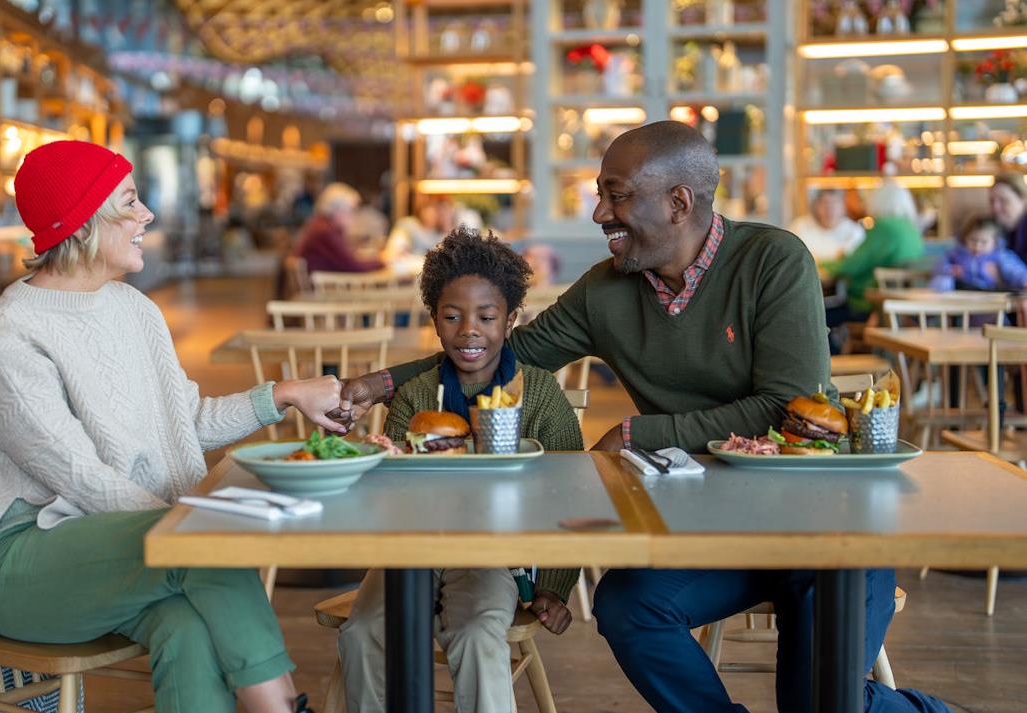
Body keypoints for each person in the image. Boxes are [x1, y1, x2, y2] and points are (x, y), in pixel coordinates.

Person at [331, 121, 950, 713]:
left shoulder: (773, 260)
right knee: (627, 608)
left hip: (827, 525)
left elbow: (784, 407)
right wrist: (374, 384)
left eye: (616, 196)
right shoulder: (608, 290)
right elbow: (492, 354)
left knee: (821, 703)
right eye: (602, 195)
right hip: (717, 526)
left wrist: (635, 432)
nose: (600, 213)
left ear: (679, 203)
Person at [0, 141, 345, 713]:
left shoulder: (134, 310)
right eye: (130, 202)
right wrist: (186, 524)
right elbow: (81, 477)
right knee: (205, 545)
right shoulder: (7, 336)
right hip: (24, 562)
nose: (147, 215)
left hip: (122, 545)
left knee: (186, 627)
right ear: (84, 220)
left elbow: (183, 423)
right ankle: (280, 707)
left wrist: (280, 395)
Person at [337, 228, 582, 713]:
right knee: (363, 629)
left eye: (487, 317)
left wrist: (554, 583)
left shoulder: (538, 395)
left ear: (511, 320)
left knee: (475, 631)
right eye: (452, 316)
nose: (469, 330)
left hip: (493, 552)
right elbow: (392, 489)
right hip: (411, 548)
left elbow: (569, 493)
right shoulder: (417, 395)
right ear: (434, 319)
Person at [820, 179, 925, 328]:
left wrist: (819, 263)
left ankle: (834, 352)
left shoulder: (884, 227)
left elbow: (853, 264)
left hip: (871, 305)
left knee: (817, 317)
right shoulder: (910, 228)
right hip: (901, 306)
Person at [290, 183, 385, 273]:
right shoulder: (324, 232)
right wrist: (384, 261)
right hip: (325, 286)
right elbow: (354, 267)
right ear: (337, 210)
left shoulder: (320, 225)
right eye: (352, 210)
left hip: (324, 283)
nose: (354, 215)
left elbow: (346, 260)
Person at [930, 214, 1027, 292]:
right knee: (943, 281)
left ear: (995, 242)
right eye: (973, 240)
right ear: (965, 239)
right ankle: (933, 309)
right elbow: (938, 267)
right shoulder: (957, 253)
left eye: (984, 242)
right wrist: (949, 270)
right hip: (962, 291)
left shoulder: (1000, 255)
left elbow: (1015, 270)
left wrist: (1024, 280)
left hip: (989, 292)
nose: (977, 246)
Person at [789, 188, 866, 262]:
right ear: (815, 206)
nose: (830, 209)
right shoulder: (799, 227)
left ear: (843, 206)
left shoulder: (855, 231)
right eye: (825, 203)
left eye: (835, 202)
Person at [381, 194, 455, 263]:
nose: (430, 215)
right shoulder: (409, 225)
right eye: (427, 210)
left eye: (434, 212)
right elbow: (394, 250)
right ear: (421, 211)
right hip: (407, 269)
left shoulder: (439, 234)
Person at [990, 171, 1027, 262]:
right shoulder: (992, 230)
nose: (995, 208)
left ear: (1022, 200)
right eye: (992, 201)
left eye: (1003, 200)